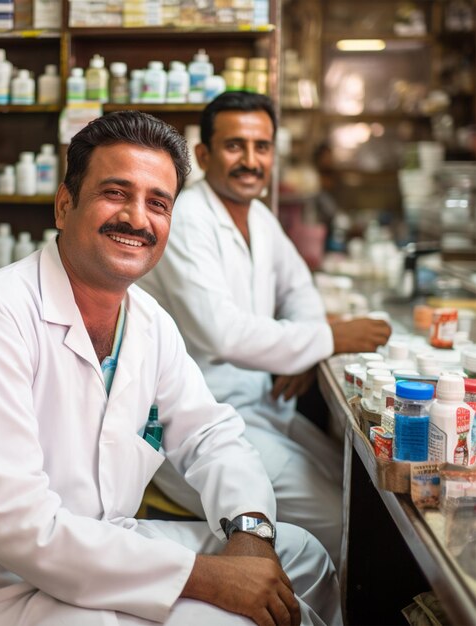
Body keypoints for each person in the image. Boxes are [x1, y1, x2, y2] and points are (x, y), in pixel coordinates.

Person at [0, 110, 342, 626]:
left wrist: (251, 535)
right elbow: (17, 529)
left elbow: (211, 436)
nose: (137, 218)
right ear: (65, 205)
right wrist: (210, 578)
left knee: (303, 556)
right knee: (237, 619)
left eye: (158, 203)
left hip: (103, 547)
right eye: (115, 192)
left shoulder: (148, 321)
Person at [138, 92, 392, 568]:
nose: (251, 161)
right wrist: (327, 339)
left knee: (358, 491)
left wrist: (302, 351)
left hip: (262, 404)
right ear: (205, 154)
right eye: (236, 146)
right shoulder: (187, 220)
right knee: (342, 519)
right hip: (197, 423)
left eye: (262, 147)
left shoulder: (259, 216)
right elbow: (223, 334)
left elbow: (300, 290)